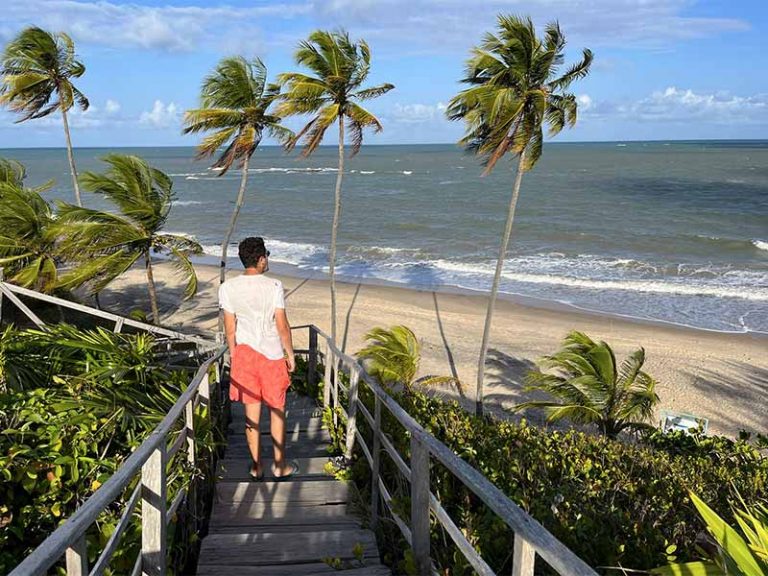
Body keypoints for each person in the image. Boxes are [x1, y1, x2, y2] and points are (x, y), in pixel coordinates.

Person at [219, 237, 298, 481]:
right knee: (277, 411)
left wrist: (234, 355)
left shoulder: (227, 288)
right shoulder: (274, 285)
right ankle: (279, 465)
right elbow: (282, 325)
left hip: (245, 355)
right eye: (267, 255)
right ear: (261, 258)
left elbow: (229, 328)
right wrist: (290, 354)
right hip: (272, 355)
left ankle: (256, 467)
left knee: (251, 417)